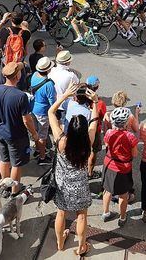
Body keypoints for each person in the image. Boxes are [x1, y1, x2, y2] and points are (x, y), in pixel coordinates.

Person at [47, 83, 100, 256]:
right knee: (82, 216)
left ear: (69, 128)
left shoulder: (62, 141)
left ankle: (60, 243)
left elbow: (51, 113)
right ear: (84, 130)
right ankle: (81, 246)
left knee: (61, 213)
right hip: (81, 186)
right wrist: (96, 102)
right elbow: (94, 120)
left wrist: (64, 96)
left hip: (63, 184)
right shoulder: (88, 141)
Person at [0, 61, 38, 194]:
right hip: (16, 134)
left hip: (0, 130)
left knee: (4, 159)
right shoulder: (20, 96)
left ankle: (4, 187)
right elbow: (27, 120)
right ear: (17, 76)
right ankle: (15, 190)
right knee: (16, 164)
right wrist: (34, 134)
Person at [101, 107, 138, 226]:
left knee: (107, 191)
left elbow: (106, 144)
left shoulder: (109, 133)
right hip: (123, 168)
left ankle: (105, 213)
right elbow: (135, 154)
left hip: (109, 164)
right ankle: (122, 217)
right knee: (123, 194)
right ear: (126, 122)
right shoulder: (130, 137)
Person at [30, 56, 56, 165]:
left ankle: (37, 150)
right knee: (42, 136)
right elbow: (52, 102)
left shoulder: (34, 75)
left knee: (36, 132)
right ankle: (42, 157)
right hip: (43, 112)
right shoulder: (49, 84)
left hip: (33, 108)